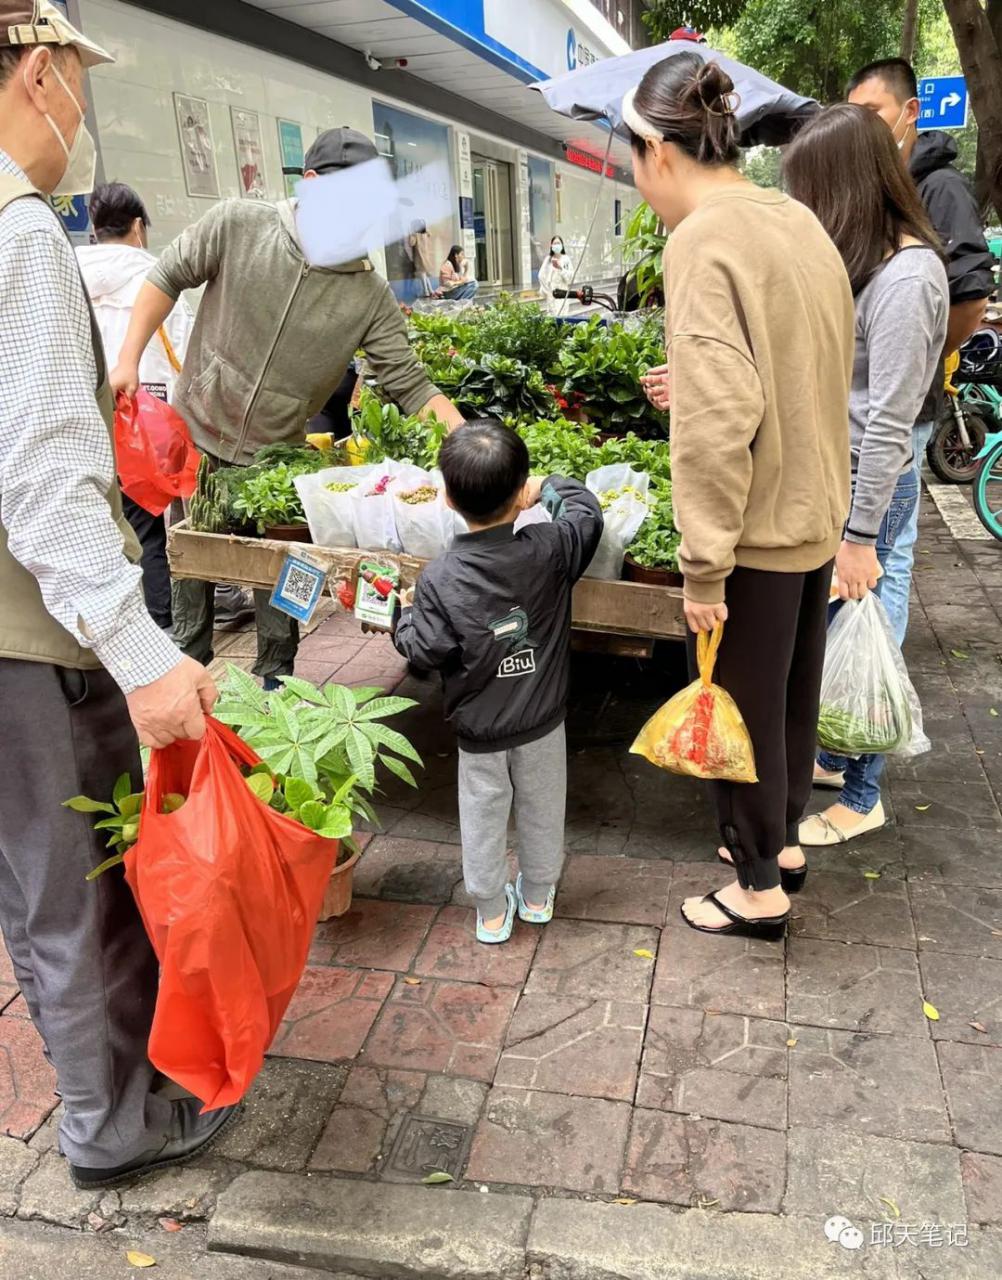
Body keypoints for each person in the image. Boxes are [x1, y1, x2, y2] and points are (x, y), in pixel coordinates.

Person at [0, 0, 235, 1188]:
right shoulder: (18, 230)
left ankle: (97, 1094)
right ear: (38, 74)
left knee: (26, 884)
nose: (77, 111)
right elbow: (46, 479)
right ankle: (112, 1123)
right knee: (80, 896)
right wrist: (142, 654)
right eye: (76, 84)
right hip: (26, 643)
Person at [630, 53, 855, 940]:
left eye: (632, 160)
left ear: (658, 149)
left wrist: (701, 565)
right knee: (791, 695)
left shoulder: (702, 240)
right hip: (812, 512)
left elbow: (720, 424)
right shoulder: (795, 219)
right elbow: (802, 368)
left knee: (737, 708)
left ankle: (757, 886)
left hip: (754, 526)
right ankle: (783, 844)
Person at [111, 126, 464, 689]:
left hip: (280, 465)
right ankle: (192, 707)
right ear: (312, 184)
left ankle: (278, 689)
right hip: (198, 443)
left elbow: (411, 385)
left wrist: (472, 448)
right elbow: (167, 274)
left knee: (284, 598)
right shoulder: (238, 224)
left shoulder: (366, 293)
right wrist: (128, 359)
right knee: (191, 588)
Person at [781, 104, 948, 850]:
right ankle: (831, 755)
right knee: (833, 637)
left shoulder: (909, 277)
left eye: (811, 189)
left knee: (868, 633)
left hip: (869, 489)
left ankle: (864, 793)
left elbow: (888, 421)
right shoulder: (867, 264)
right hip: (840, 482)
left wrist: (859, 536)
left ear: (846, 187)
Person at [392, 420, 603, 942]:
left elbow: (426, 650)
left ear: (445, 497)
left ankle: (489, 912)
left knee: (482, 815)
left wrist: (401, 617)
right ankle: (536, 896)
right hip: (542, 722)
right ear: (519, 492)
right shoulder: (550, 548)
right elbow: (587, 513)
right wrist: (548, 487)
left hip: (479, 729)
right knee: (543, 808)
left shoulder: (440, 577)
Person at [846, 58, 994, 645]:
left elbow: (972, 295)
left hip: (903, 402)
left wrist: (921, 354)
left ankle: (876, 697)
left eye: (873, 115)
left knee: (887, 553)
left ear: (909, 113)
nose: (864, 131)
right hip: (877, 401)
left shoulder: (938, 186)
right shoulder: (882, 189)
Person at [76, 182, 194, 631]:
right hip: (148, 423)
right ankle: (163, 626)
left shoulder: (70, 276)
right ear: (138, 227)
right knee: (152, 528)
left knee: (109, 525)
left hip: (91, 417)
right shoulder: (157, 278)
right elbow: (183, 355)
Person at [538, 234, 575, 316]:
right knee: (552, 317)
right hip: (551, 295)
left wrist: (560, 268)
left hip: (562, 293)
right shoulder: (548, 259)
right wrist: (547, 291)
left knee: (561, 316)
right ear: (551, 246)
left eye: (558, 243)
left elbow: (570, 278)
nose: (556, 245)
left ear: (562, 245)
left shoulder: (566, 259)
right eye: (555, 243)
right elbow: (541, 275)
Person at [408, 219, 440, 298]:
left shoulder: (416, 235)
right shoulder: (426, 234)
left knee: (422, 274)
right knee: (424, 274)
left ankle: (426, 291)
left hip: (419, 257)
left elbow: (411, 243)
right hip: (426, 256)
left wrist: (410, 234)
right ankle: (430, 290)